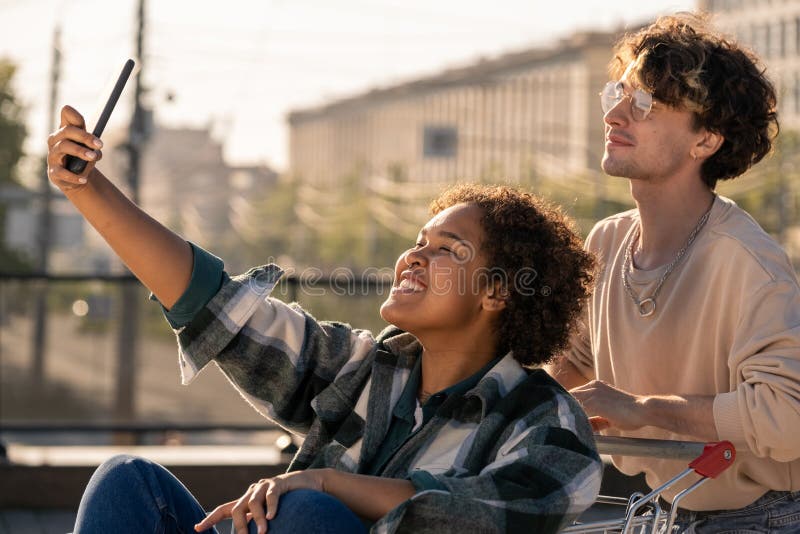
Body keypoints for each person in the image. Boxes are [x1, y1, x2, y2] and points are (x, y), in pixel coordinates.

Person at [46, 106, 601, 534]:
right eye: (417, 243)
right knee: (128, 482)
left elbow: (485, 519)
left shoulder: (549, 423)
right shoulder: (364, 367)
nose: (413, 257)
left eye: (447, 249)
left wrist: (326, 483)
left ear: (497, 292)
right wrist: (87, 188)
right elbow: (215, 305)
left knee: (307, 511)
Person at [546, 11, 800, 533]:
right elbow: (575, 360)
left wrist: (640, 408)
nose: (615, 114)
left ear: (705, 140)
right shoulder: (608, 240)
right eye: (616, 93)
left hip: (764, 519)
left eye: (645, 104)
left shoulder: (749, 263)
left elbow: (787, 417)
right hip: (665, 509)